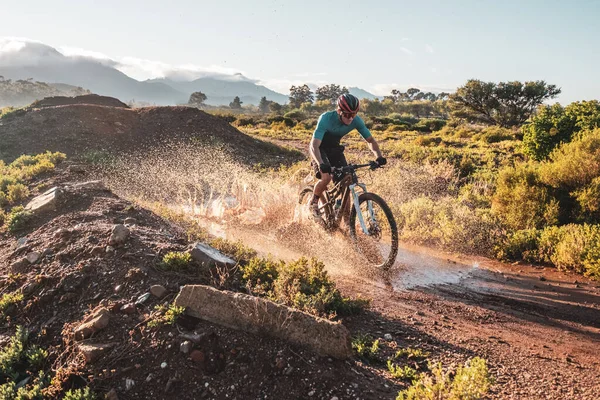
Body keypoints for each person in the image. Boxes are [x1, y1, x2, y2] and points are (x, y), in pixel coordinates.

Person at [309, 93, 386, 219]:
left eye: (353, 114)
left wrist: (379, 156)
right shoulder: (326, 119)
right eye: (347, 115)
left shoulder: (356, 121)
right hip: (319, 148)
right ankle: (314, 202)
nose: (350, 118)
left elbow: (370, 140)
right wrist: (321, 164)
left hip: (334, 148)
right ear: (339, 111)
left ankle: (346, 223)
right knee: (327, 178)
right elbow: (314, 146)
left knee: (347, 183)